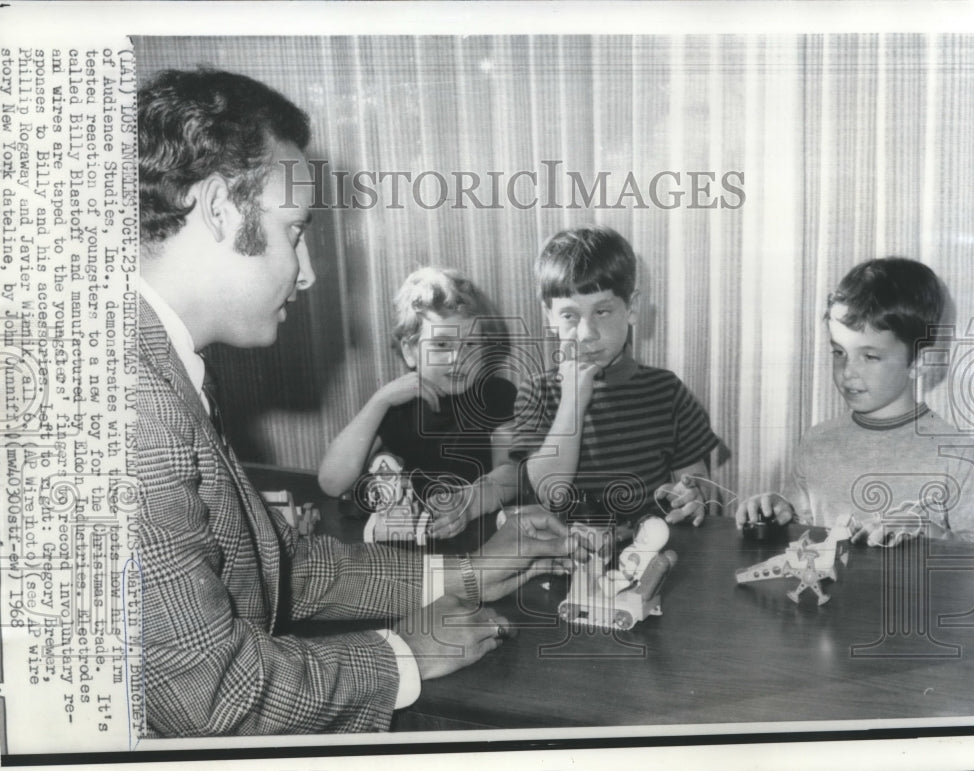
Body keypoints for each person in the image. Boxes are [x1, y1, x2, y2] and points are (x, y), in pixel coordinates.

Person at [137, 67, 577, 737]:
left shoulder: (162, 362)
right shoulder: (135, 401)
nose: (308, 272)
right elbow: (212, 698)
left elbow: (285, 564)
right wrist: (403, 653)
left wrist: (470, 572)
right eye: (294, 230)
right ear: (220, 208)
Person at [735, 257, 974, 545]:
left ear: (919, 362)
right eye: (839, 352)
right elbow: (801, 534)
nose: (848, 372)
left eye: (870, 356)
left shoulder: (958, 455)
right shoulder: (816, 442)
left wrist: (929, 532)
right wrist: (777, 511)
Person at [508, 225, 720, 526]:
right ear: (550, 317)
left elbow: (700, 485)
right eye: (570, 315)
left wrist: (694, 496)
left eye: (602, 312)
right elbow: (548, 493)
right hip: (569, 560)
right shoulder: (537, 392)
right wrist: (573, 401)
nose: (586, 334)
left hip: (652, 556)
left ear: (631, 308)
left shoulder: (667, 391)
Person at [318, 267, 518, 540]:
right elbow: (332, 482)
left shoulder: (497, 394)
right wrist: (380, 401)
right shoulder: (399, 405)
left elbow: (511, 470)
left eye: (471, 344)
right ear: (410, 351)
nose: (457, 359)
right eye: (441, 345)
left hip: (479, 536)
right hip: (413, 540)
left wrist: (470, 503)